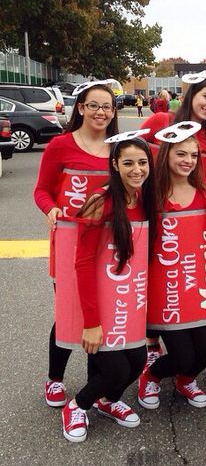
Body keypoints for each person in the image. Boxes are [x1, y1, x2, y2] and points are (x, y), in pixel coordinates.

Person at [60, 134, 156, 442]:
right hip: (99, 305)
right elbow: (83, 263)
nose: (137, 170)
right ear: (114, 165)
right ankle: (76, 406)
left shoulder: (144, 199)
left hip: (128, 302)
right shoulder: (100, 201)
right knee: (115, 369)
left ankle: (107, 401)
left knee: (137, 362)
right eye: (128, 163)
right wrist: (90, 322)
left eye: (143, 163)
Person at [34, 81, 119, 409]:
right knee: (70, 310)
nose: (101, 112)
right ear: (80, 107)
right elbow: (41, 189)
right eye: (94, 105)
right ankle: (54, 378)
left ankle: (94, 384)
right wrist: (51, 208)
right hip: (70, 241)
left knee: (101, 311)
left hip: (107, 242)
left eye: (107, 107)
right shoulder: (60, 145)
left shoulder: (118, 148)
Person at [139, 71, 206, 368]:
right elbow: (131, 152)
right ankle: (153, 345)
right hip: (165, 203)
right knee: (162, 271)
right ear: (191, 95)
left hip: (198, 207)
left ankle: (186, 368)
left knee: (187, 282)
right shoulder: (164, 120)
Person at [138, 123, 206, 410]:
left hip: (198, 286)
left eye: (194, 156)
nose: (187, 161)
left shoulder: (205, 193)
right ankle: (153, 375)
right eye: (181, 154)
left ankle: (185, 380)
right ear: (167, 154)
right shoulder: (150, 194)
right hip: (166, 290)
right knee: (182, 355)